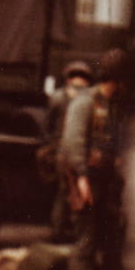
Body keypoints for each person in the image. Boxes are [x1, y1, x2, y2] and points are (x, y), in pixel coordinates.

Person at [59, 48, 128, 270]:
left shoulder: (111, 105)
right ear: (118, 79)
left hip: (104, 182)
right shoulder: (86, 103)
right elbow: (72, 142)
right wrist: (82, 178)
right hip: (85, 180)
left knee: (95, 239)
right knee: (87, 241)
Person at [44, 60, 94, 243]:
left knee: (62, 193)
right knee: (77, 194)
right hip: (80, 153)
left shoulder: (57, 97)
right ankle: (73, 235)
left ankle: (57, 233)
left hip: (61, 153)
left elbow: (48, 125)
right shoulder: (89, 99)